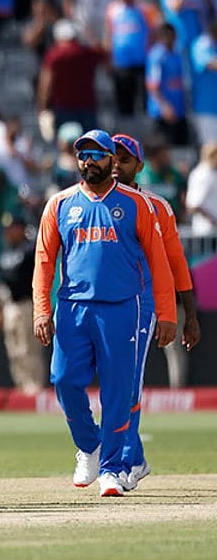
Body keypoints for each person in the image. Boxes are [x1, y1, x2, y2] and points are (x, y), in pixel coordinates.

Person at [33, 129, 176, 498]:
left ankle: (112, 469)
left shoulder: (135, 204)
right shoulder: (60, 204)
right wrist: (41, 310)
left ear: (112, 161)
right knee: (63, 379)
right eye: (83, 155)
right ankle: (90, 446)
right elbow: (45, 261)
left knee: (118, 392)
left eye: (97, 155)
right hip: (73, 307)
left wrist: (167, 313)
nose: (89, 161)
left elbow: (160, 263)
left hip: (122, 308)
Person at [110, 134, 200, 489]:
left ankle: (127, 459)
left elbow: (177, 264)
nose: (117, 164)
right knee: (115, 379)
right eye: (112, 157)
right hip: (102, 304)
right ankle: (130, 457)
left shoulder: (157, 206)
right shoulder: (90, 200)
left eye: (125, 158)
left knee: (129, 379)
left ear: (140, 166)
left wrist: (187, 315)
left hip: (143, 302)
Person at [0, 211, 44, 396]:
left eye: (12, 228)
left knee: (28, 348)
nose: (8, 232)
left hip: (27, 304)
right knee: (14, 350)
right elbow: (0, 284)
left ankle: (34, 387)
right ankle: (22, 387)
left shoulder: (30, 250)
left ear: (21, 229)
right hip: (9, 305)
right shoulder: (6, 252)